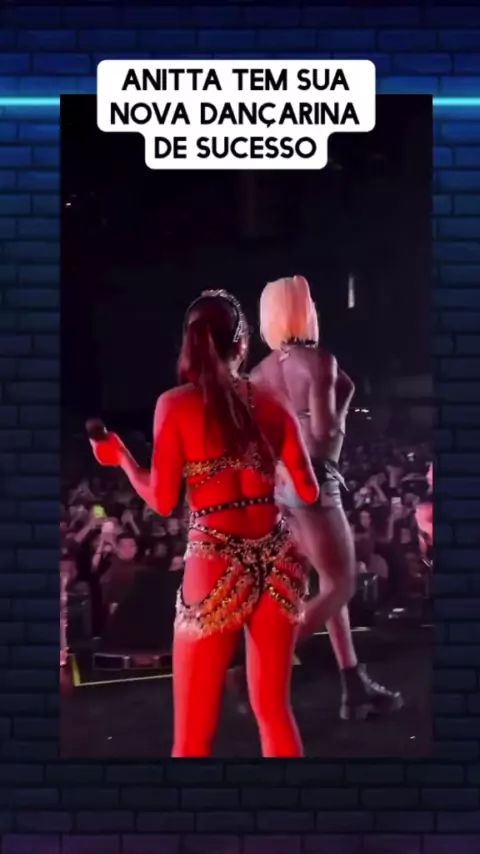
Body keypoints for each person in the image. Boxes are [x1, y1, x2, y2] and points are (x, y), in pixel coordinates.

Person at [88, 288, 319, 757]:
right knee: (274, 711)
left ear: (190, 343)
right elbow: (310, 490)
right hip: (280, 561)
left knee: (193, 737)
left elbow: (162, 499)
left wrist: (123, 459)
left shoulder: (175, 405)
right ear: (242, 344)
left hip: (216, 563)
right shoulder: (273, 402)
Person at [249, 275, 403, 721]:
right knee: (343, 584)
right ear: (304, 310)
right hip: (314, 481)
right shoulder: (317, 362)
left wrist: (340, 389)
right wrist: (336, 408)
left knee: (326, 584)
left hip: (280, 489)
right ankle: (260, 662)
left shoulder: (258, 374)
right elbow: (322, 434)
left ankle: (353, 685)